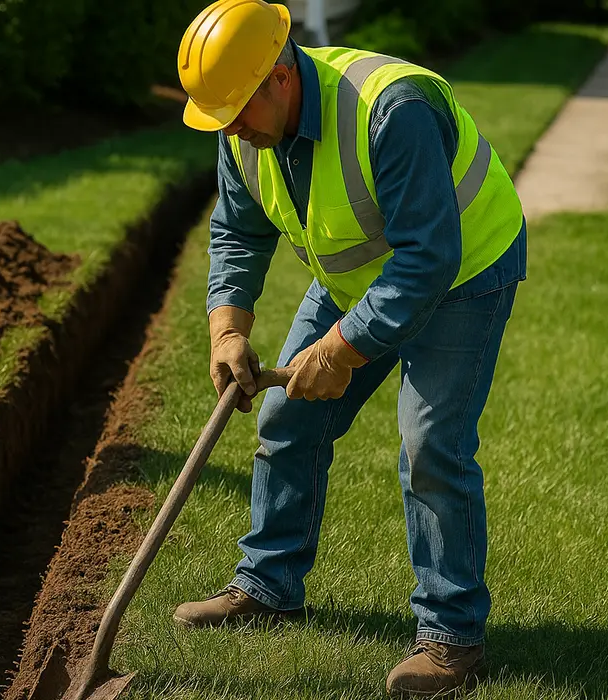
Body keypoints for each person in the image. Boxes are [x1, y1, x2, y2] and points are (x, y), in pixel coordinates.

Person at [172, 1, 527, 696]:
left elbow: (427, 258)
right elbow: (238, 231)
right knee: (286, 420)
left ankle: (452, 636)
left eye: (236, 112)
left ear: (280, 78)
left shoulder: (390, 110)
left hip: (464, 273)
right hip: (360, 276)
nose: (230, 128)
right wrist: (227, 329)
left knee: (431, 445)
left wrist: (341, 348)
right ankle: (269, 586)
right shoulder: (243, 127)